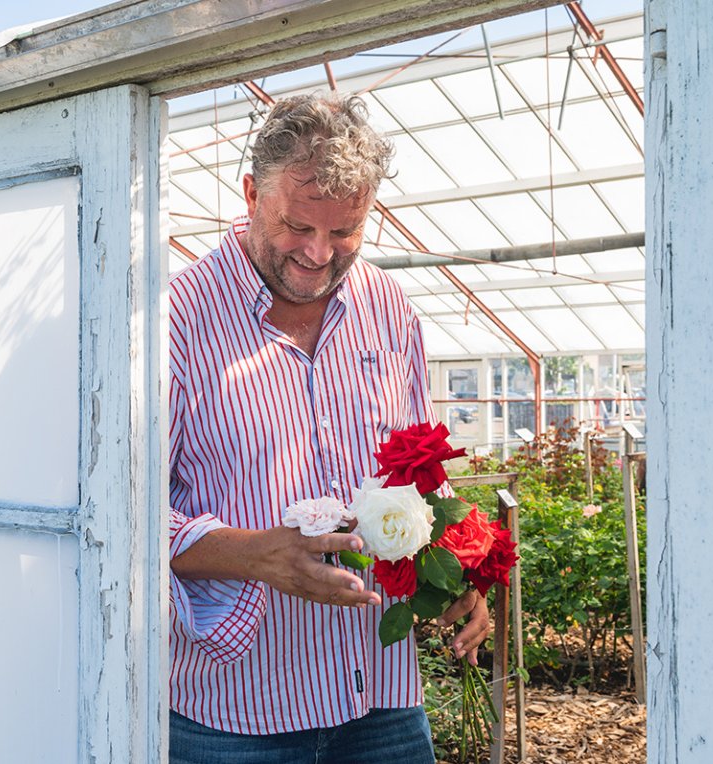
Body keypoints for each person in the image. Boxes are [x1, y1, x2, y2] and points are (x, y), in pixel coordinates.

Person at [168, 91, 490, 763]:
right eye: (297, 226)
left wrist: (460, 571)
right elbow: (119, 514)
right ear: (253, 192)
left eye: (344, 232)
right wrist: (253, 553)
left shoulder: (386, 305)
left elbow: (416, 472)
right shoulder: (177, 316)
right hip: (235, 711)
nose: (318, 254)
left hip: (381, 695)